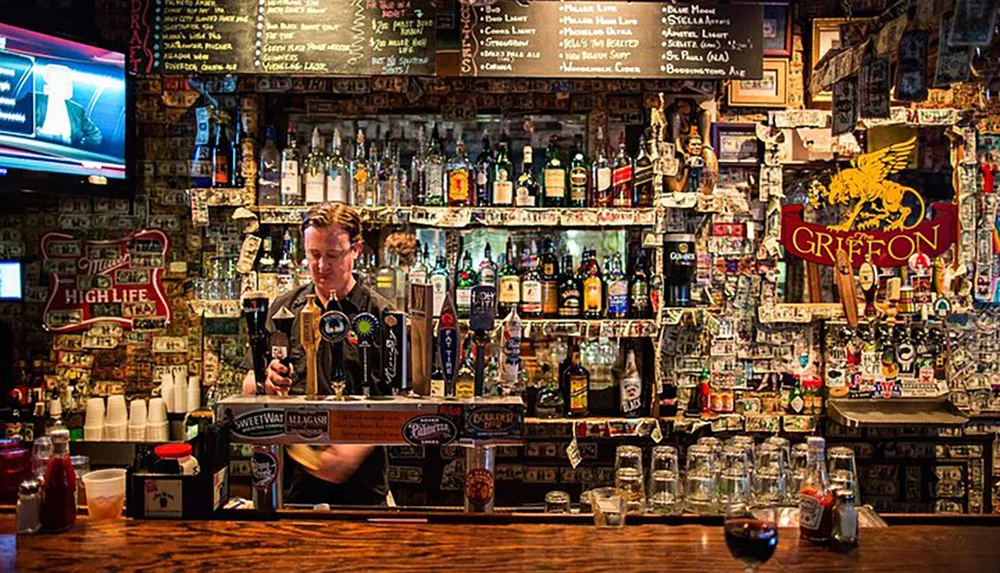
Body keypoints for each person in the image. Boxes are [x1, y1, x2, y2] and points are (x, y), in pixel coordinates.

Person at [241, 203, 392, 506]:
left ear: (356, 250)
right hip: (293, 483)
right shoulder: (284, 310)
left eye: (333, 256)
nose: (322, 266)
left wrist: (357, 446)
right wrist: (265, 384)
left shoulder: (380, 315)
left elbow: (397, 398)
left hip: (361, 484)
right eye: (314, 255)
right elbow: (248, 383)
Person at [34, 64, 103, 148]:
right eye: (61, 82)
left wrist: (79, 148)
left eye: (68, 83)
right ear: (48, 86)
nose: (67, 86)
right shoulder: (34, 100)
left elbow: (95, 136)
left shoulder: (77, 110)